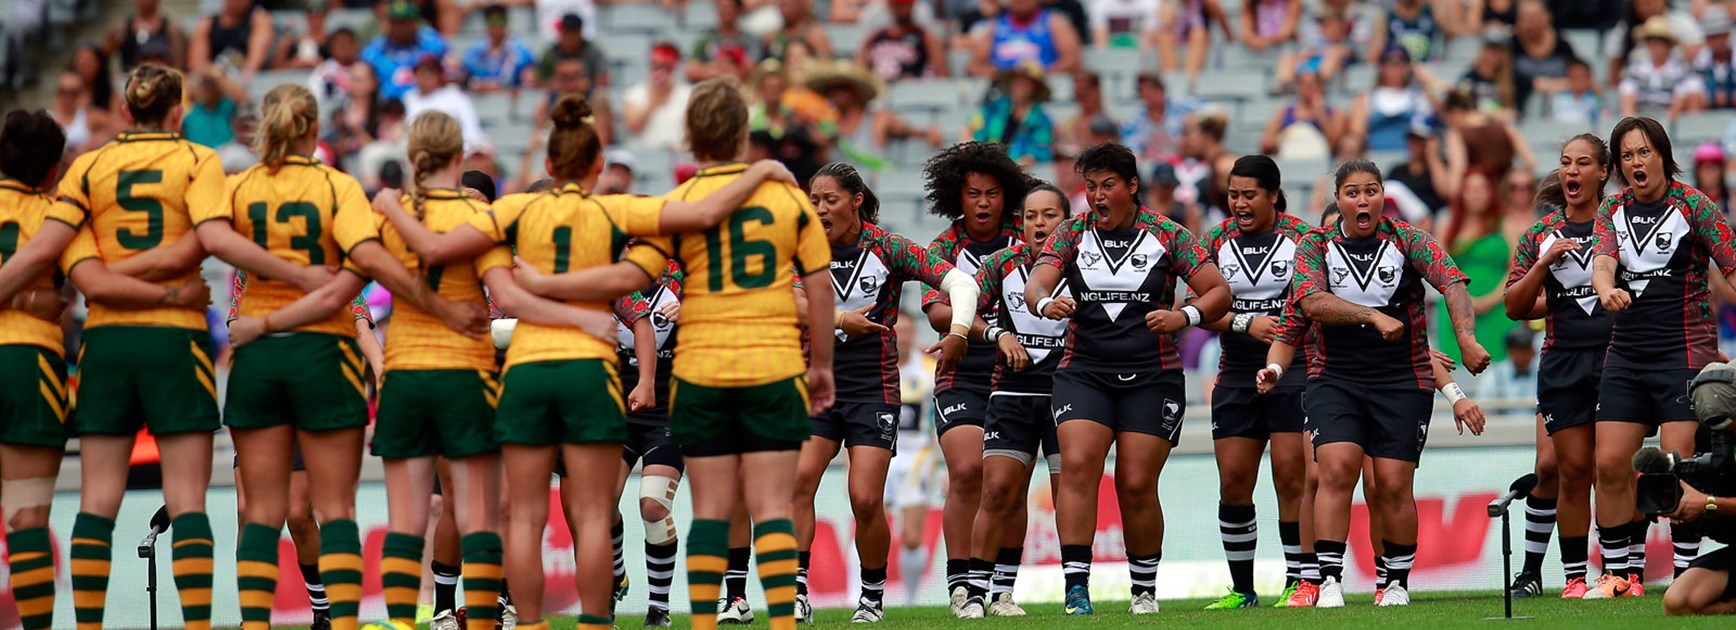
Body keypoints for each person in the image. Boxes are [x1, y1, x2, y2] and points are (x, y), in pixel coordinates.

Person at [370, 85, 801, 630]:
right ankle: (598, 622)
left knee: (520, 517)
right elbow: (702, 213)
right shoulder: (618, 208)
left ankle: (522, 622)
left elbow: (436, 253)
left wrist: (387, 201)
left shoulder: (514, 209)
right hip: (592, 373)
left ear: (548, 163)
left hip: (524, 370)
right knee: (595, 516)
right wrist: (760, 172)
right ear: (599, 164)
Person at [504, 78, 835, 630]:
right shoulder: (786, 200)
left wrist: (546, 279)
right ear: (741, 135)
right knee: (773, 505)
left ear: (690, 136)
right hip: (772, 365)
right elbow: (819, 290)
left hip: (701, 372)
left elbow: (631, 275)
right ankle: (781, 622)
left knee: (707, 510)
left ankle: (699, 622)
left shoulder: (674, 204)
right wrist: (820, 364)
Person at [0, 65, 238, 630]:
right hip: (168, 339)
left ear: (125, 113)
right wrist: (173, 287)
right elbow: (199, 243)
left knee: (94, 503)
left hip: (105, 342)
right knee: (185, 500)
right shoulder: (199, 160)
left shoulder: (90, 168)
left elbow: (65, 267)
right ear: (177, 112)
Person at [189, 83, 405, 630]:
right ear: (314, 130)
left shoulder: (237, 189)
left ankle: (257, 624)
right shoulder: (337, 187)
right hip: (322, 357)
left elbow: (205, 240)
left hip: (259, 362)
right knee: (335, 513)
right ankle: (342, 621)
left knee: (258, 515)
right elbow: (363, 271)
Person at [1024, 142, 1231, 615]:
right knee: (1077, 466)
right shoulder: (1072, 233)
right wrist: (1043, 304)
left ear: (1132, 187)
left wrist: (1186, 317)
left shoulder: (1168, 234)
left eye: (1108, 186)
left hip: (1152, 376)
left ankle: (1144, 591)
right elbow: (1039, 280)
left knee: (1136, 483)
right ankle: (1076, 588)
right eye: (1091, 186)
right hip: (1084, 373)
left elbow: (1218, 291)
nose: (1097, 196)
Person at [1275, 159, 1491, 608]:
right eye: (1352, 192)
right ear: (1338, 199)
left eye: (1371, 191)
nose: (1362, 200)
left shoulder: (1409, 239)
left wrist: (1466, 339)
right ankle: (1329, 580)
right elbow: (1311, 301)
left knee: (1393, 485)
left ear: (1381, 198)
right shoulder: (1315, 245)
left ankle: (1394, 582)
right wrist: (1372, 316)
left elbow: (1451, 282)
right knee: (1335, 470)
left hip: (1401, 380)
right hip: (1334, 378)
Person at [787, 162, 977, 623]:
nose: (819, 208)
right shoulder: (800, 248)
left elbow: (959, 281)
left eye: (829, 199)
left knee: (866, 498)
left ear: (855, 200)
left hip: (874, 389)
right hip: (816, 384)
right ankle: (795, 592)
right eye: (813, 200)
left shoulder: (889, 248)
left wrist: (960, 330)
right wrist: (838, 319)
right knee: (798, 482)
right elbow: (787, 300)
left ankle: (871, 598)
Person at [1587, 116, 1736, 599]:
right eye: (1627, 156)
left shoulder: (1694, 205)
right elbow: (1603, 262)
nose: (1636, 163)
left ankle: (1684, 571)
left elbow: (1732, 265)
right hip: (1626, 355)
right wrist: (1606, 290)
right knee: (1609, 462)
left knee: (1677, 462)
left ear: (1662, 155)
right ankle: (1618, 577)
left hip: (1685, 352)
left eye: (1644, 152)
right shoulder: (1611, 209)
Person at [1194, 155, 1315, 610]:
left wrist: (1282, 328)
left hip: (1296, 371)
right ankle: (1242, 590)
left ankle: (1298, 580)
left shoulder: (1303, 239)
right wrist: (1245, 324)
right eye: (1233, 195)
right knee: (1234, 481)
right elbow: (1195, 306)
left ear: (1273, 195)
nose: (1240, 204)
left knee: (1290, 476)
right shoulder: (1215, 240)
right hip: (1235, 375)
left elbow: (1317, 300)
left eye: (1249, 195)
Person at [918, 142, 1027, 616]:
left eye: (993, 193)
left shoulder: (1028, 240)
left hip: (1019, 374)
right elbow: (938, 311)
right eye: (973, 193)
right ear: (956, 197)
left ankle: (1002, 588)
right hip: (962, 374)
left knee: (1010, 483)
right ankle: (961, 584)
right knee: (967, 472)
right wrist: (989, 330)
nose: (983, 202)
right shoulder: (942, 249)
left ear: (1008, 197)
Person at [963, 183, 1071, 617]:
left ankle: (1066, 591)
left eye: (1050, 215)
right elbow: (962, 307)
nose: (1040, 223)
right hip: (1012, 392)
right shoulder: (1001, 263)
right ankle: (977, 592)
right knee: (1000, 493)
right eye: (1031, 216)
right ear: (1020, 223)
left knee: (1070, 498)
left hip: (1071, 395)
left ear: (1068, 222)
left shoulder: (1086, 265)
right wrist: (997, 334)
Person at [609, 259, 686, 627]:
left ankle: (659, 608)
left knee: (653, 506)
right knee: (598, 504)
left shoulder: (686, 278)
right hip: (614, 409)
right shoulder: (605, 278)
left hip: (668, 411)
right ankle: (615, 573)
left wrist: (693, 315)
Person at [1437, 170, 1515, 365]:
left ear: (1491, 193)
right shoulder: (1447, 226)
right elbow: (1436, 270)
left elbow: (1515, 268)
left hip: (1498, 306)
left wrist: (1489, 300)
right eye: (1471, 189)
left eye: (1482, 189)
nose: (1476, 194)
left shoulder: (1504, 223)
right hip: (1456, 309)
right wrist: (1464, 301)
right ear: (1462, 193)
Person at [1349, 46, 1441, 154]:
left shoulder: (1420, 96)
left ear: (1408, 67)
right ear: (1381, 67)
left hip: (1411, 157)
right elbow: (1357, 132)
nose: (1396, 68)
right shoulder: (1366, 97)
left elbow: (1443, 111)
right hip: (1374, 154)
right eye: (1390, 63)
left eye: (1401, 63)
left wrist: (1426, 79)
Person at [1620, 16, 1709, 118]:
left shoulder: (1680, 69)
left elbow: (1682, 97)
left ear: (1668, 45)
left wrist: (1667, 121)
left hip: (1671, 118)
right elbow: (1627, 96)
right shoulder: (1636, 69)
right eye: (1652, 41)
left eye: (1660, 42)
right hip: (1641, 118)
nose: (1656, 46)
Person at [361, 0, 450, 102]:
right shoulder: (374, 50)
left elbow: (450, 66)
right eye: (396, 21)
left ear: (414, 22)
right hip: (388, 108)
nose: (400, 26)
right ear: (388, 23)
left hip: (426, 101)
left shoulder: (432, 43)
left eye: (405, 21)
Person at [968, 61, 1056, 164]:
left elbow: (1042, 151)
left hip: (1020, 173)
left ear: (1035, 88)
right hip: (988, 166)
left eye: (1026, 83)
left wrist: (1029, 160)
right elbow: (976, 131)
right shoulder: (995, 108)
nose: (1020, 86)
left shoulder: (1042, 121)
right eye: (1017, 81)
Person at [968, 0, 1084, 77]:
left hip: (1044, 90)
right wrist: (998, 75)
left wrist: (1041, 75)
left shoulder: (1055, 23)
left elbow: (1073, 61)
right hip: (1003, 91)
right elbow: (974, 67)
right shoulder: (994, 27)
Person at [403, 54, 489, 154]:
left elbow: (472, 133)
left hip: (452, 153)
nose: (425, 77)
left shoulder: (456, 97)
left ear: (439, 75)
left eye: (430, 72)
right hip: (416, 154)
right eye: (421, 72)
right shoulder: (407, 99)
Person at [623, 42, 694, 153]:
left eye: (666, 68)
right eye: (656, 67)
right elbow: (633, 128)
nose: (660, 73)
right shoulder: (634, 94)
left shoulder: (688, 94)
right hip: (643, 155)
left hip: (677, 155)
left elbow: (692, 130)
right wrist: (653, 100)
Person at [859, 0, 950, 81]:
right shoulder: (875, 37)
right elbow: (858, 69)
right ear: (888, 6)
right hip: (879, 90)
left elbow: (942, 76)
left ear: (912, 5)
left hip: (913, 93)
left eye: (903, 4)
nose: (899, 8)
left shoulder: (926, 37)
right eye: (896, 4)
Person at [188, 0, 274, 83]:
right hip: (213, 81)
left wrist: (236, 80)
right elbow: (197, 63)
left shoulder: (259, 20)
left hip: (244, 81)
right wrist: (218, 74)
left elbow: (253, 64)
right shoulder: (206, 23)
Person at [461, 4, 537, 93]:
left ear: (506, 24)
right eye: (492, 23)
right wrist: (476, 84)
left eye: (500, 22)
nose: (496, 28)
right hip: (481, 100)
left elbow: (532, 77)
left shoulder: (521, 52)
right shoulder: (475, 52)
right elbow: (464, 76)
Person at [104, 0, 187, 71]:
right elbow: (101, 57)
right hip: (129, 81)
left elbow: (179, 66)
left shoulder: (172, 30)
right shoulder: (120, 29)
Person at [534, 13, 608, 93]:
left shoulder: (593, 51)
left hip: (587, 95)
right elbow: (538, 78)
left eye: (572, 34)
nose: (568, 38)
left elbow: (602, 80)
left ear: (579, 33)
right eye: (565, 33)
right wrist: (557, 83)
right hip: (557, 95)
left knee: (600, 100)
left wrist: (582, 84)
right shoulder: (552, 52)